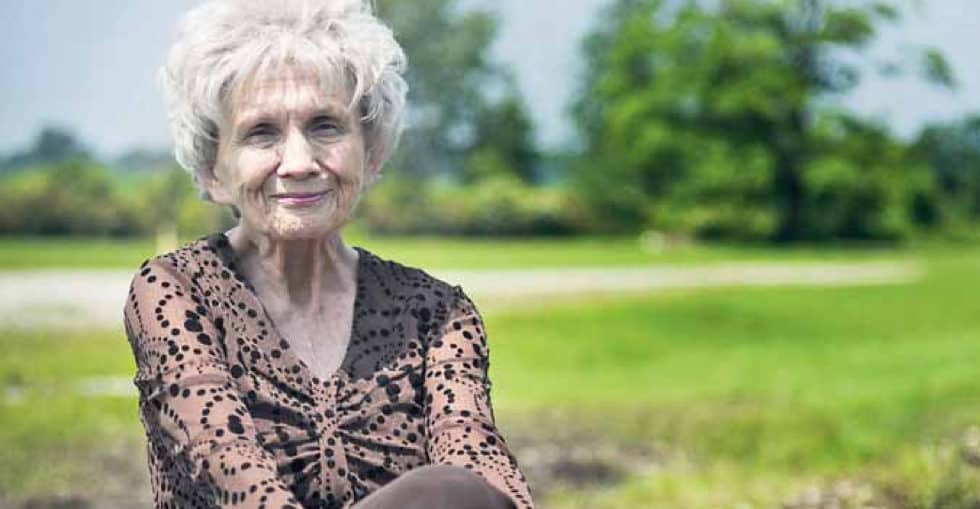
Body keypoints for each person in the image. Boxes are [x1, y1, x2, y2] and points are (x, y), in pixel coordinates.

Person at [121, 1, 534, 507]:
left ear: (371, 152)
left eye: (324, 126)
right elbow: (223, 460)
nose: (298, 163)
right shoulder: (177, 290)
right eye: (261, 132)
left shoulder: (437, 312)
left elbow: (477, 457)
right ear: (213, 172)